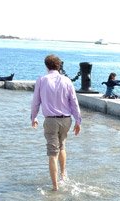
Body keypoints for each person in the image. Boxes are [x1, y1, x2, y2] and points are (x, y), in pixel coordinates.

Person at [30, 54, 82, 191]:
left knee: (52, 153)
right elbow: (74, 102)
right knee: (62, 146)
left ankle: (55, 187)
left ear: (46, 66)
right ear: (59, 66)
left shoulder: (42, 80)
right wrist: (78, 120)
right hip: (66, 120)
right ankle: (63, 176)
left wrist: (33, 117)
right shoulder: (67, 81)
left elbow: (36, 101)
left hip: (51, 121)